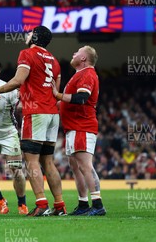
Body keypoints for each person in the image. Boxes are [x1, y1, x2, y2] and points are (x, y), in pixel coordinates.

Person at [0, 25, 66, 216]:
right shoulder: (54, 61)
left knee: (31, 162)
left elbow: (17, 81)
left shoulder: (27, 54)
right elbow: (55, 90)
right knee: (48, 161)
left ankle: (41, 204)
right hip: (52, 113)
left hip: (36, 112)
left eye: (30, 32)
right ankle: (59, 206)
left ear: (36, 37)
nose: (27, 34)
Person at [52, 46, 105, 216]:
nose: (73, 53)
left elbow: (82, 99)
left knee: (85, 166)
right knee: (76, 166)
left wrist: (57, 95)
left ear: (83, 58)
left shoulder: (87, 73)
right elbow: (67, 103)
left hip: (81, 126)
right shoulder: (79, 75)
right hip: (73, 127)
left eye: (77, 52)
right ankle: (83, 204)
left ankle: (98, 204)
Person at [0, 59, 28, 215]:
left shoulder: (7, 88)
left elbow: (20, 106)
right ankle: (1, 200)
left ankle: (22, 204)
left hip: (8, 132)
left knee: (15, 169)